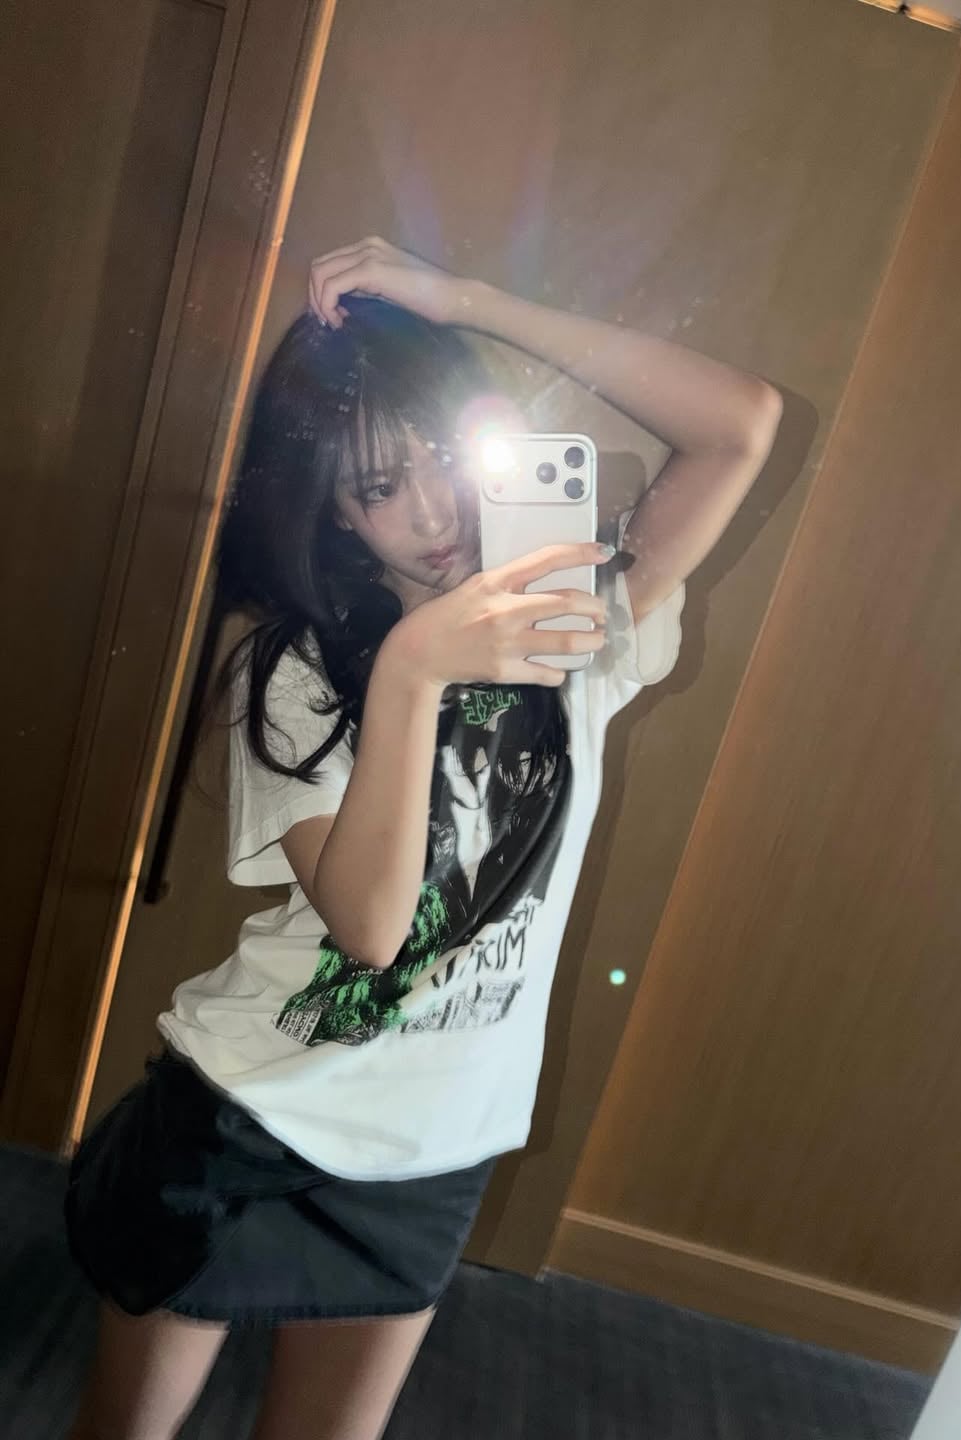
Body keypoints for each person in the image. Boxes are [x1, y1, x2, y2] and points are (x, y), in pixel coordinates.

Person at [63, 236, 782, 1440]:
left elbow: (740, 426)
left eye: (446, 454)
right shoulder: (295, 673)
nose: (434, 510)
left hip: (435, 1145)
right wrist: (411, 670)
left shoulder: (576, 625)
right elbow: (373, 928)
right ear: (336, 512)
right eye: (380, 485)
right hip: (254, 1122)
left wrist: (466, 302)